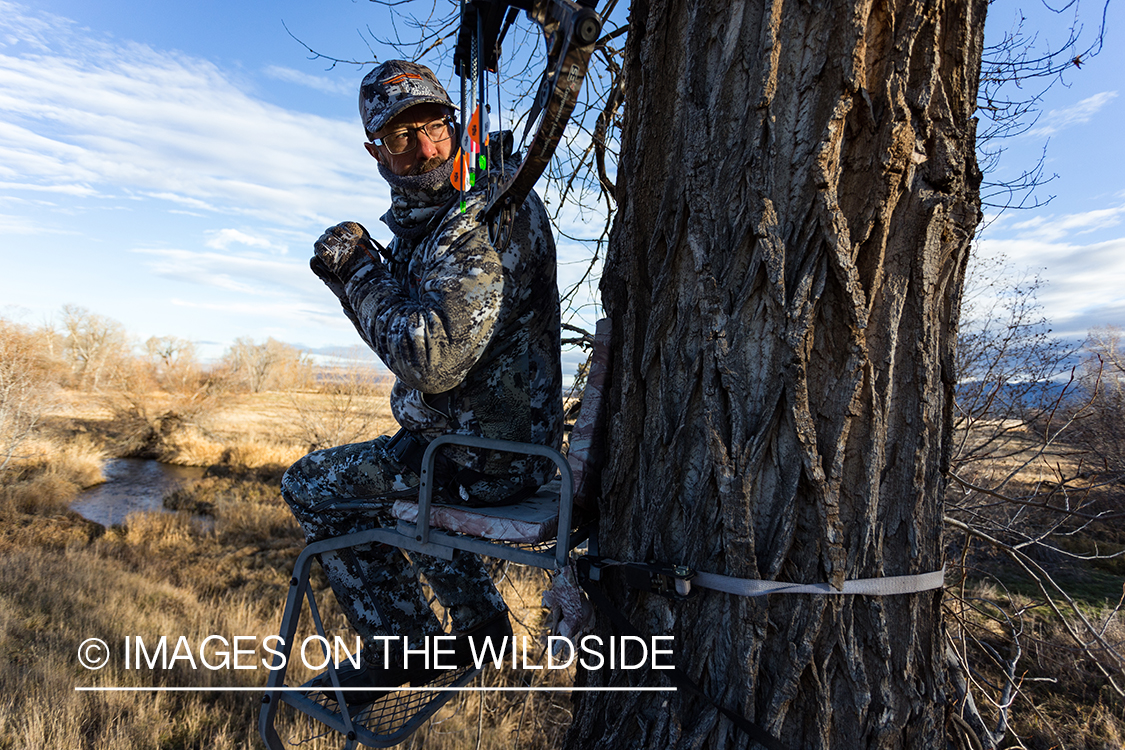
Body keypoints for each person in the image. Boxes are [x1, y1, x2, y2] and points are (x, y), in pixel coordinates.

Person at [280, 59, 563, 692]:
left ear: (454, 120)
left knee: (310, 485)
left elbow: (430, 361)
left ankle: (404, 646)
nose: (427, 147)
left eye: (435, 125)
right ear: (374, 148)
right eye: (402, 137)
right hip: (478, 449)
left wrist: (357, 272)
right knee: (409, 459)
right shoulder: (465, 205)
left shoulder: (479, 215)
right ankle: (480, 626)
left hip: (486, 462)